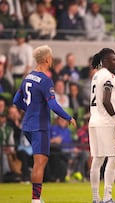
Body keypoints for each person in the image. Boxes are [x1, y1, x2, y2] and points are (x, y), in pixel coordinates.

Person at [13, 45, 76, 203]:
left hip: (27, 125)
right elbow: (53, 105)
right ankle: (35, 200)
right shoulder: (45, 80)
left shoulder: (27, 77)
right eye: (51, 56)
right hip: (39, 126)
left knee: (40, 161)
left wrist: (29, 110)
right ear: (47, 59)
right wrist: (68, 117)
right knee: (39, 163)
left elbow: (16, 100)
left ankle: (37, 197)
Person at [88, 48, 115, 203]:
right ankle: (107, 197)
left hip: (94, 122)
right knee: (114, 158)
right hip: (106, 123)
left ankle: (96, 198)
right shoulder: (109, 76)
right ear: (106, 60)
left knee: (97, 159)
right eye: (114, 59)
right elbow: (106, 101)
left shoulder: (96, 75)